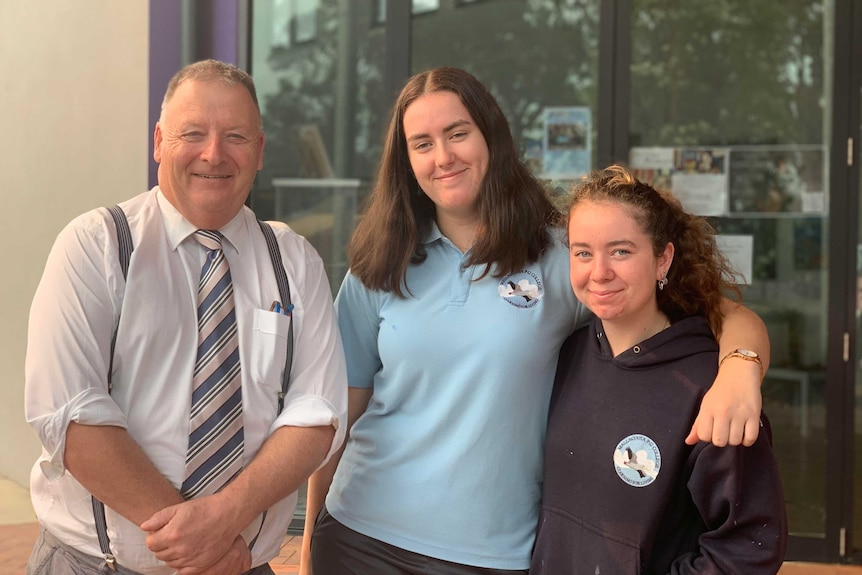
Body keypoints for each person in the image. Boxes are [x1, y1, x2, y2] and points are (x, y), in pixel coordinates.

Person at [300, 67, 771, 575]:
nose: (443, 157)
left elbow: (721, 312)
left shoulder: (561, 256)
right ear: (406, 161)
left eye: (458, 133)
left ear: (491, 137)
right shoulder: (378, 265)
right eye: (422, 143)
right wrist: (309, 545)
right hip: (357, 533)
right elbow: (336, 423)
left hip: (491, 555)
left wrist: (741, 372)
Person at [24, 59, 348, 575]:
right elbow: (69, 415)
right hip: (96, 566)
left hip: (241, 566)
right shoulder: (96, 246)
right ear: (158, 142)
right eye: (192, 133)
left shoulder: (295, 260)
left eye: (236, 136)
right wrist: (206, 546)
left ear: (260, 151)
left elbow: (318, 413)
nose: (213, 154)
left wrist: (225, 517)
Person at [531, 165, 787, 574]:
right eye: (583, 252)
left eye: (621, 251)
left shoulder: (712, 387)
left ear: (662, 259)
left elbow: (747, 548)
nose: (599, 272)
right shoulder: (566, 354)